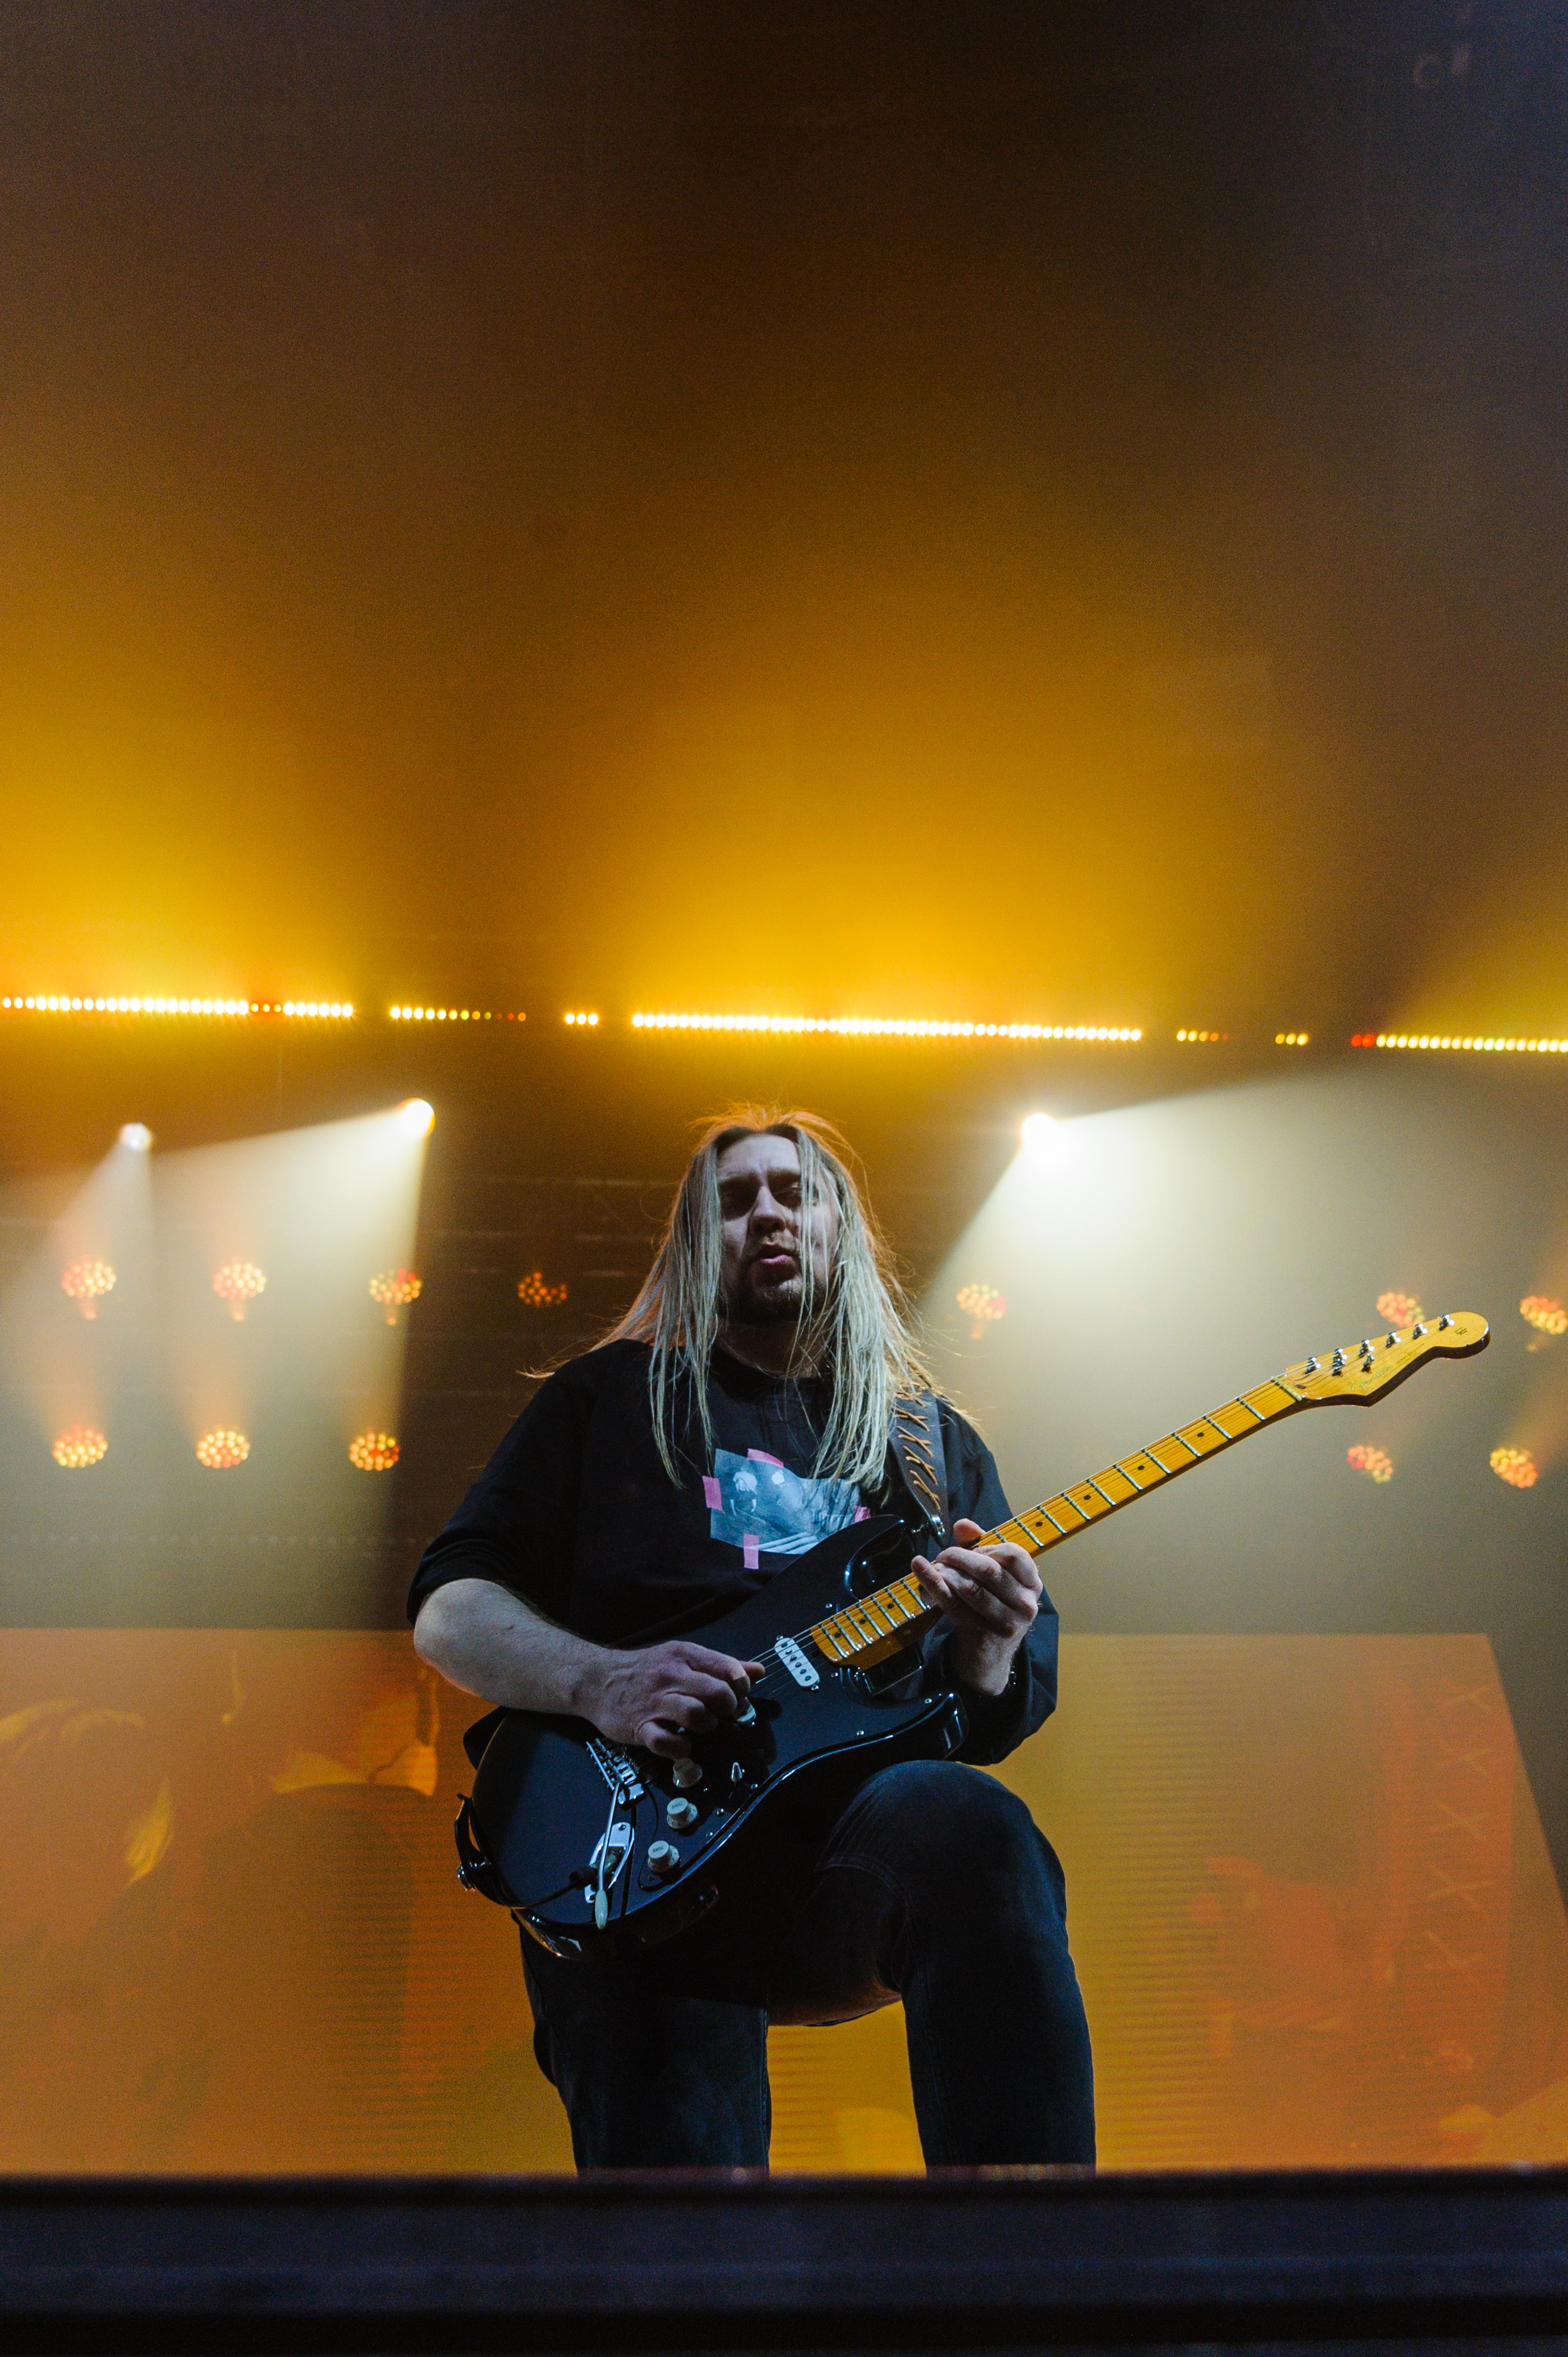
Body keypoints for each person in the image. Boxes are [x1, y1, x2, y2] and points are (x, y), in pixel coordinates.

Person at [410, 1108, 1094, 2169]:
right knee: (686, 2226)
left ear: (841, 1230)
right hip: (635, 1846)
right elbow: (449, 1611)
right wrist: (603, 1683)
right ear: (697, 1243)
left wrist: (989, 1647)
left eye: (794, 1192)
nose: (767, 1214)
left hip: (845, 1848)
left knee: (977, 1828)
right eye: (734, 1201)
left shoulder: (927, 1445)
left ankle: (1034, 2246)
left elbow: (994, 1713)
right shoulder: (606, 1400)